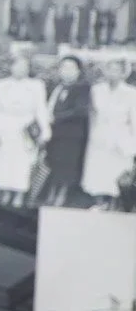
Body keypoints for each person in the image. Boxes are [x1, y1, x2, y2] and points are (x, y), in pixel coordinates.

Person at [0, 52, 51, 206]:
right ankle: (6, 193)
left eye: (24, 66)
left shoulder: (36, 86)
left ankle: (19, 195)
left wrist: (45, 131)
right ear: (11, 67)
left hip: (26, 129)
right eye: (17, 65)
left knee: (23, 163)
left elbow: (41, 109)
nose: (21, 69)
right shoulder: (0, 85)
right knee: (5, 162)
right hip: (6, 128)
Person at [83, 56, 136, 207]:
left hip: (121, 138)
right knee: (98, 171)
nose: (112, 73)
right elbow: (93, 115)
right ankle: (99, 202)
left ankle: (114, 204)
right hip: (99, 136)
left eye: (116, 70)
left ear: (123, 73)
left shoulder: (131, 93)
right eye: (109, 69)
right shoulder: (97, 90)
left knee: (117, 172)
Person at [42, 54, 92, 206]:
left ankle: (61, 195)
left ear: (78, 71)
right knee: (53, 162)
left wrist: (56, 117)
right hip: (55, 133)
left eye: (71, 68)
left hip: (72, 135)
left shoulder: (83, 88)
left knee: (68, 166)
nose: (67, 71)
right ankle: (51, 192)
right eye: (64, 67)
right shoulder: (56, 87)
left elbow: (80, 111)